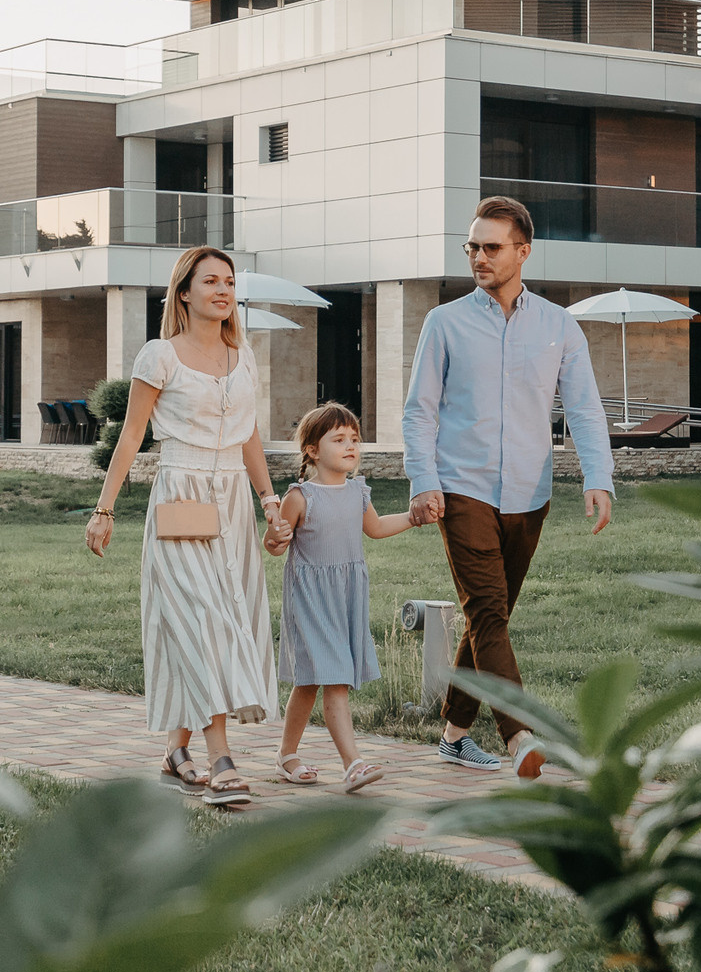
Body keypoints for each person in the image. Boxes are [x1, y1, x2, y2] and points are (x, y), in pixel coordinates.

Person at [402, 194, 615, 778]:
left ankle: (452, 735)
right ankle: (520, 735)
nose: (478, 256)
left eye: (491, 247)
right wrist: (424, 479)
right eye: (472, 246)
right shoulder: (443, 322)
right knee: (490, 611)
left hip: (530, 492)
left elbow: (585, 408)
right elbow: (419, 410)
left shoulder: (559, 326)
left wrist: (598, 477)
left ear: (523, 251)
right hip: (461, 485)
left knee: (486, 616)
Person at [83, 245, 282, 801]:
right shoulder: (159, 356)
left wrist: (269, 502)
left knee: (211, 622)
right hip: (181, 496)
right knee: (205, 620)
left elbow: (249, 436)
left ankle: (177, 749)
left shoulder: (244, 357)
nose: (223, 290)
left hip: (234, 505)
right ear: (184, 292)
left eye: (230, 281)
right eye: (211, 281)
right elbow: (130, 437)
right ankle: (221, 758)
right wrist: (105, 510)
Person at [263, 402, 411, 795]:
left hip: (346, 597)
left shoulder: (357, 492)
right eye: (339, 439)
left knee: (309, 683)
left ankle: (286, 755)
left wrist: (413, 518)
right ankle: (353, 764)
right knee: (335, 681)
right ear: (312, 450)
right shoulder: (300, 496)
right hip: (311, 600)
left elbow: (375, 529)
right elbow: (276, 546)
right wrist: (274, 535)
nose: (351, 446)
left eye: (354, 440)